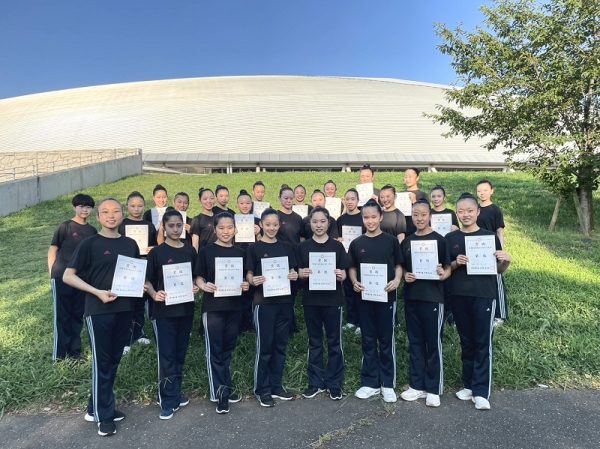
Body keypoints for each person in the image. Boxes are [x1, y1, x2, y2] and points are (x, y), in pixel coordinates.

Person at [63, 198, 140, 437]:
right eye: (105, 212)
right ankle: (103, 415)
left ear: (122, 214)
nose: (111, 215)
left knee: (114, 360)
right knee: (102, 361)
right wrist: (96, 292)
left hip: (124, 310)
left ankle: (95, 406)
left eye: (115, 211)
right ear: (98, 217)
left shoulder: (130, 244)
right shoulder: (90, 244)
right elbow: (68, 276)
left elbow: (136, 275)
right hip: (98, 311)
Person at [446, 193, 511, 410]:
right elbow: (446, 269)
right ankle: (469, 384)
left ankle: (481, 391)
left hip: (483, 294)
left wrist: (505, 263)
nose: (465, 214)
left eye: (469, 210)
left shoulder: (489, 237)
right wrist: (456, 263)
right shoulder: (450, 239)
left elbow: (498, 270)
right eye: (461, 211)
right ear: (457, 214)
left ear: (478, 212)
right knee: (466, 341)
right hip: (458, 295)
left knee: (483, 342)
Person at [144, 210, 199, 420]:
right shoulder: (156, 253)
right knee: (166, 355)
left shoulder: (189, 251)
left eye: (179, 225)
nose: (175, 229)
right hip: (163, 312)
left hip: (185, 309)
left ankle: (175, 393)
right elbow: (147, 281)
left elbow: (196, 277)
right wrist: (153, 293)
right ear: (163, 228)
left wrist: (196, 286)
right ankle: (166, 401)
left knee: (179, 353)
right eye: (171, 226)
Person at [348, 199, 403, 403]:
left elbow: (399, 264)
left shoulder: (390, 241)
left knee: (386, 340)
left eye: (373, 217)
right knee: (368, 339)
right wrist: (354, 281)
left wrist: (397, 280)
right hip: (365, 297)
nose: (370, 221)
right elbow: (352, 267)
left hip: (386, 296)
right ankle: (370, 382)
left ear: (381, 217)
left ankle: (387, 383)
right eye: (366, 217)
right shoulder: (357, 243)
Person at [399, 200, 451, 407]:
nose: (419, 218)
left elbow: (447, 269)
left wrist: (442, 274)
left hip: (433, 298)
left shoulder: (440, 240)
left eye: (422, 214)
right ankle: (417, 385)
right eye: (415, 215)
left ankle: (433, 388)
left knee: (433, 343)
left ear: (429, 215)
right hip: (412, 297)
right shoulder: (408, 242)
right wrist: (405, 276)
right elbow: (402, 268)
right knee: (415, 342)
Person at [197, 212, 250, 414]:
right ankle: (219, 393)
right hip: (213, 309)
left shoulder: (240, 252)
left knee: (227, 348)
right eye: (221, 228)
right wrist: (203, 286)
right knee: (215, 350)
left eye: (229, 228)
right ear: (215, 229)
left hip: (234, 307)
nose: (226, 231)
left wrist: (246, 284)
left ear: (235, 229)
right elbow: (198, 277)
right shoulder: (206, 251)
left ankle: (224, 386)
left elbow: (246, 277)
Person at [246, 208, 299, 407]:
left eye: (275, 225)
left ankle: (276, 386)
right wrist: (253, 280)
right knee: (265, 347)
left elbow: (293, 272)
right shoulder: (254, 248)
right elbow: (249, 275)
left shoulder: (287, 247)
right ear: (261, 225)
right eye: (267, 224)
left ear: (280, 225)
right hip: (263, 304)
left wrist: (294, 275)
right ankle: (262, 389)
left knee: (280, 346)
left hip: (284, 302)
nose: (271, 228)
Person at [297, 207, 349, 400]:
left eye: (322, 221)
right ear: (310, 224)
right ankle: (315, 382)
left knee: (335, 342)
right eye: (315, 221)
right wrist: (301, 274)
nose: (318, 225)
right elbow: (297, 273)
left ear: (329, 223)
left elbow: (344, 272)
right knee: (315, 341)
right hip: (311, 300)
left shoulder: (337, 247)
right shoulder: (303, 247)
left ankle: (334, 383)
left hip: (333, 300)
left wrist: (342, 275)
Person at [47, 193, 97, 360]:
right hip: (61, 276)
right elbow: (53, 249)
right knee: (62, 316)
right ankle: (59, 355)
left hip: (81, 280)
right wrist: (51, 274)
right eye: (82, 206)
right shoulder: (65, 226)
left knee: (77, 316)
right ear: (75, 207)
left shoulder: (92, 231)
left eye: (88, 207)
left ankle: (75, 353)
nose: (85, 209)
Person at [118, 191, 158, 353]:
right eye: (133, 206)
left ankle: (138, 333)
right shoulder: (121, 225)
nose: (136, 209)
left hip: (144, 266)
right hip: (127, 268)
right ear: (127, 206)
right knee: (127, 303)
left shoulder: (149, 225)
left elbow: (155, 245)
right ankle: (125, 339)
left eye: (140, 205)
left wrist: (152, 249)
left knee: (141, 302)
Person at [476, 179, 508, 323]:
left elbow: (499, 231)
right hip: (477, 249)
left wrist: (501, 251)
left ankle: (500, 314)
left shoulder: (495, 209)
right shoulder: (475, 209)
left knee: (497, 280)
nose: (482, 193)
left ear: (491, 191)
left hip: (492, 250)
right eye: (479, 191)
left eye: (485, 190)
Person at [336, 188, 365, 332]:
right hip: (347, 259)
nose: (350, 202)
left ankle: (361, 321)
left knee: (360, 289)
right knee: (348, 290)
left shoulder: (363, 217)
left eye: (352, 199)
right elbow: (337, 240)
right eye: (347, 199)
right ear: (344, 201)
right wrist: (339, 240)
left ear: (358, 200)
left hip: (361, 258)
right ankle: (352, 320)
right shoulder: (340, 219)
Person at [235, 189, 262, 333]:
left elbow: (262, 243)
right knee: (240, 290)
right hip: (237, 258)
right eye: (241, 203)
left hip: (253, 259)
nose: (245, 206)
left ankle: (252, 322)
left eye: (247, 203)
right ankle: (240, 323)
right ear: (237, 204)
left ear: (251, 204)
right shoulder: (232, 220)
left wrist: (258, 233)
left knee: (252, 291)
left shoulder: (257, 221)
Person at [191, 187, 217, 252]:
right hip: (204, 257)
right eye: (205, 199)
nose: (209, 201)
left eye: (211, 198)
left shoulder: (219, 218)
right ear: (200, 201)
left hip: (218, 256)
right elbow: (195, 244)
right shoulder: (197, 219)